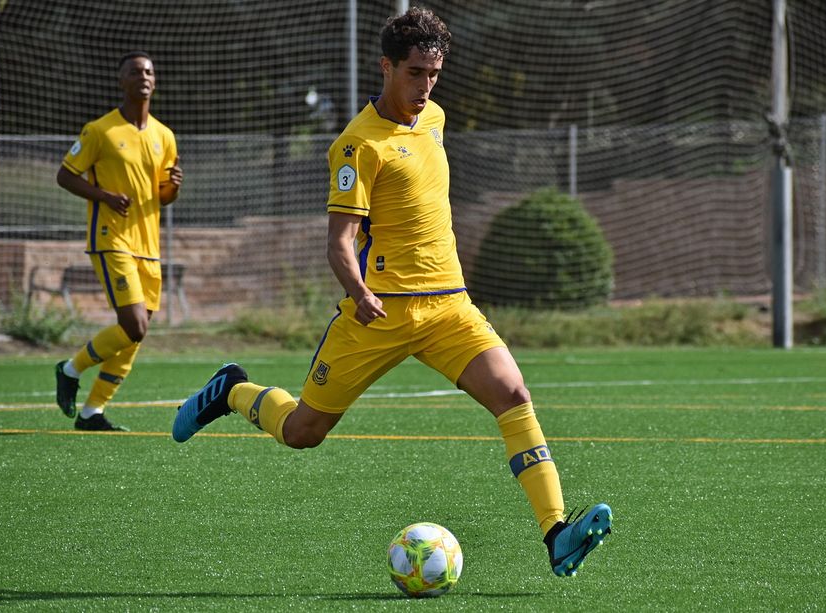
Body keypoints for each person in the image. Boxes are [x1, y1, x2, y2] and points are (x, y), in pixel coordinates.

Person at [172, 8, 610, 577]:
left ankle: (556, 533)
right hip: (377, 314)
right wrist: (358, 292)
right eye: (415, 73)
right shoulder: (358, 146)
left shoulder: (435, 119)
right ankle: (232, 390)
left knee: (513, 394)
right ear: (386, 67)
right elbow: (339, 240)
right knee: (303, 432)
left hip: (449, 306)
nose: (426, 86)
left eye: (434, 73)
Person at [54, 51, 182, 431]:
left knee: (133, 336)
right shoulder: (100, 130)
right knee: (134, 325)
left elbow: (162, 195)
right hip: (112, 238)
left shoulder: (164, 136)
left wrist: (174, 188)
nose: (144, 77)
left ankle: (92, 412)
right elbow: (65, 175)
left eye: (149, 72)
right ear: (121, 80)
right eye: (135, 71)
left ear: (155, 81)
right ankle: (70, 369)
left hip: (149, 247)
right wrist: (104, 196)